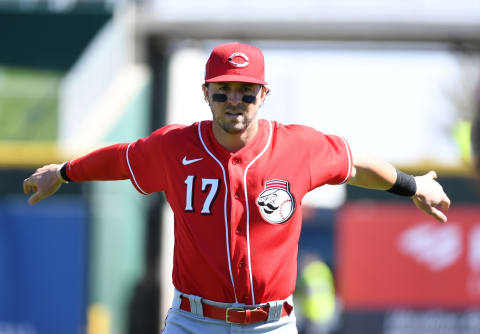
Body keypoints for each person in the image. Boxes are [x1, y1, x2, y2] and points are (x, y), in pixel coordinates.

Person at [23, 42, 450, 333]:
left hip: (271, 324)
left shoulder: (297, 146)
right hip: (194, 321)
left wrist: (414, 186)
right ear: (206, 93)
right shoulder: (174, 146)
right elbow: (119, 158)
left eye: (246, 93)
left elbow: (355, 164)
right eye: (223, 91)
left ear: (263, 94)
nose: (234, 102)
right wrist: (61, 173)